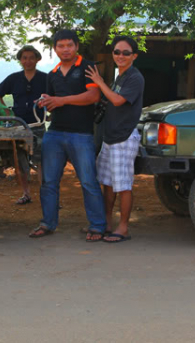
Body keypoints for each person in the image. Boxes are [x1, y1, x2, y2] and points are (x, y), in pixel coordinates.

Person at [29, 30, 107, 242]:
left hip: (81, 134)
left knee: (88, 181)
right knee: (48, 182)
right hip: (54, 133)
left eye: (69, 45)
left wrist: (62, 101)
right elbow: (54, 104)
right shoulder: (52, 74)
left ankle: (98, 226)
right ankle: (48, 223)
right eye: (61, 46)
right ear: (55, 49)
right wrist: (47, 100)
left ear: (76, 46)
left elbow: (93, 95)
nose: (65, 50)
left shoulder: (88, 66)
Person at [86, 36, 144, 243]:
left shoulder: (134, 77)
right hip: (110, 138)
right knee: (108, 184)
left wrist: (99, 82)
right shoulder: (120, 76)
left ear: (134, 56)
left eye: (126, 53)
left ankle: (124, 228)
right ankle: (107, 223)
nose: (120, 56)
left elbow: (118, 100)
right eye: (117, 52)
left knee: (123, 185)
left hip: (123, 137)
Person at [0, 45, 47, 205]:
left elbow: (55, 95)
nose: (28, 61)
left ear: (38, 59)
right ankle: (26, 194)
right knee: (21, 160)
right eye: (24, 58)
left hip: (38, 123)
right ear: (20, 60)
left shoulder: (45, 78)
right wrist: (6, 112)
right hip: (18, 125)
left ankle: (46, 196)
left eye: (31, 57)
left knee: (41, 161)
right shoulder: (14, 78)